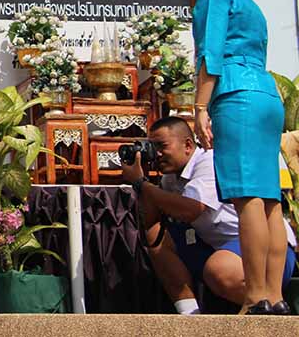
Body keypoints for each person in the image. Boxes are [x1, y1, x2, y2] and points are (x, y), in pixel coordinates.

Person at [169, 0, 289, 315]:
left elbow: (211, 54)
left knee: (246, 198)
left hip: (237, 97)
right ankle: (274, 296)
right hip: (267, 98)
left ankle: (255, 296)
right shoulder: (247, 0)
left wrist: (199, 107)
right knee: (269, 201)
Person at [121, 116, 296, 314]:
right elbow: (150, 222)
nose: (157, 153)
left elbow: (191, 210)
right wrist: (143, 179)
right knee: (156, 236)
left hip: (262, 250)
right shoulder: (170, 177)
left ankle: (269, 306)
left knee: (219, 269)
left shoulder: (209, 161)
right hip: (220, 248)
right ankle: (189, 313)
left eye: (162, 146)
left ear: (188, 145)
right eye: (152, 147)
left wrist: (141, 184)